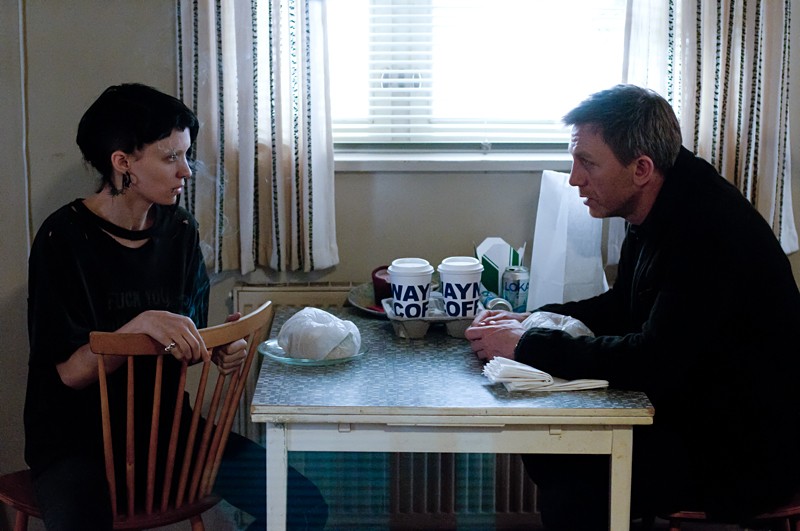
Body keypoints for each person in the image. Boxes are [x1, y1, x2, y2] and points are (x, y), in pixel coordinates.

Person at [465, 84, 800, 530]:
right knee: (552, 445)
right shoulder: (658, 201)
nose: (574, 178)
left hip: (745, 449)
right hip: (700, 411)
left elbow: (652, 359)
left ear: (641, 168)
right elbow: (623, 304)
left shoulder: (708, 232)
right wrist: (530, 319)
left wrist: (526, 345)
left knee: (571, 473)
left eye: (587, 162)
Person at [24, 83, 328, 531]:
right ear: (122, 162)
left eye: (186, 155)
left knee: (302, 506)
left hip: (167, 433)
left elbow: (184, 342)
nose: (186, 170)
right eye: (170, 158)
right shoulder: (62, 239)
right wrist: (139, 325)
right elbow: (70, 373)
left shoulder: (180, 230)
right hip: (76, 444)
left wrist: (217, 348)